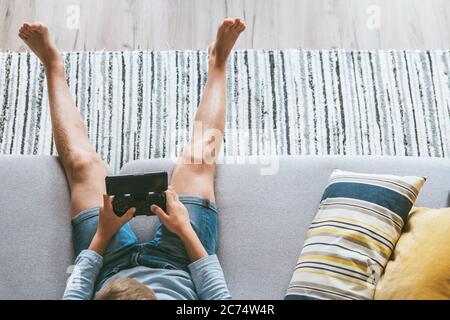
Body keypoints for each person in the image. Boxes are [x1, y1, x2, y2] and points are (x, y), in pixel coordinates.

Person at [18, 17, 246, 300]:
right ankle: (219, 61)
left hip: (109, 265)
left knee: (79, 163)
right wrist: (185, 230)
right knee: (200, 156)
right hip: (181, 263)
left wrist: (102, 235)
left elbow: (76, 290)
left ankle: (52, 65)